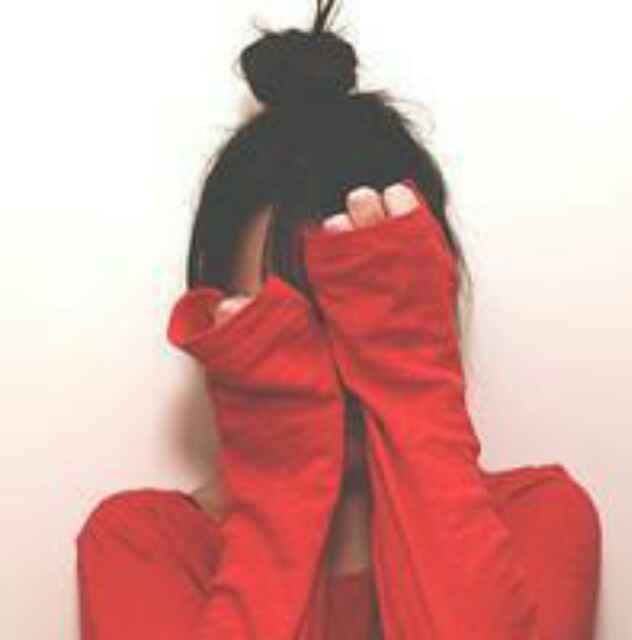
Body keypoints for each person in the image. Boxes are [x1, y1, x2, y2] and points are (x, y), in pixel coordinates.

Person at [74, 1, 602, 638]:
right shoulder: (144, 546)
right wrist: (281, 492)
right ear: (222, 323)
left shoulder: (539, 519)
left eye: (368, 315)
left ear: (427, 308)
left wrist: (411, 393)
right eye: (286, 326)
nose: (333, 364)